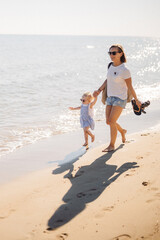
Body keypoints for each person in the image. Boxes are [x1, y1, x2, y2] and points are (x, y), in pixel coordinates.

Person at [93, 44, 141, 152]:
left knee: (112, 121)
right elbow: (107, 80)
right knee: (109, 122)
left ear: (121, 53)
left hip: (120, 98)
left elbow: (130, 86)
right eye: (110, 53)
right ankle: (122, 131)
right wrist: (99, 90)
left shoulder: (125, 70)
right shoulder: (110, 66)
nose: (111, 55)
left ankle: (111, 145)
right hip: (110, 97)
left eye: (114, 53)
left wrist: (136, 100)